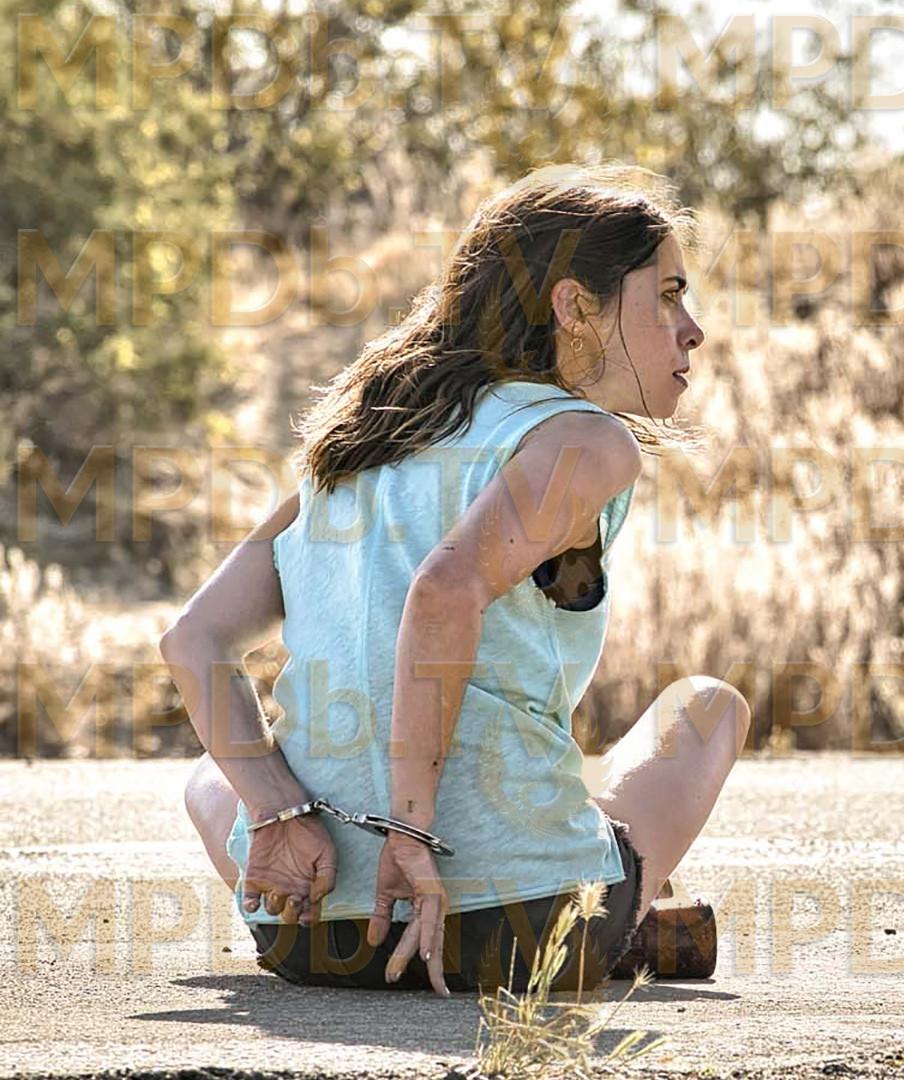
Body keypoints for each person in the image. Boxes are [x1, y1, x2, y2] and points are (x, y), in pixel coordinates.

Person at [163, 164, 747, 996]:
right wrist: (409, 833)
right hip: (531, 928)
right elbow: (444, 591)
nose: (692, 330)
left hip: (310, 938)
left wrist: (276, 809)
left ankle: (623, 919)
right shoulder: (584, 441)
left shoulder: (350, 448)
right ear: (575, 308)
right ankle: (623, 921)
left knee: (210, 772)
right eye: (668, 295)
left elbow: (192, 639)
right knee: (709, 707)